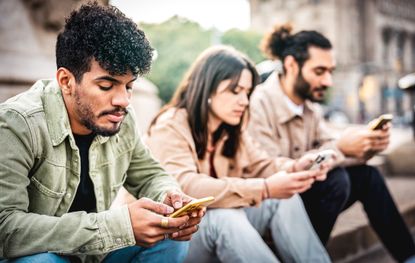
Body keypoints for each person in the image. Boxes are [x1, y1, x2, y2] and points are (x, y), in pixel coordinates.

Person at [0, 3, 204, 263]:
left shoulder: (121, 119)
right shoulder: (16, 124)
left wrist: (169, 199)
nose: (123, 100)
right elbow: (5, 227)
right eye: (107, 85)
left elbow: (149, 174)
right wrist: (118, 225)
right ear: (66, 81)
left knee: (168, 238)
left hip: (95, 255)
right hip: (44, 256)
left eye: (129, 86)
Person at [143, 45, 331, 263]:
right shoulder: (171, 125)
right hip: (170, 239)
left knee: (282, 200)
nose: (244, 101)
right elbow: (186, 185)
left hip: (209, 230)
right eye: (235, 91)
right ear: (207, 88)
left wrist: (295, 167)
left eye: (247, 92)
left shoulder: (231, 129)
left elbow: (262, 164)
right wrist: (265, 188)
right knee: (224, 218)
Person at [248, 24, 415, 262]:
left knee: (367, 176)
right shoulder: (258, 105)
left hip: (301, 195)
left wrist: (365, 147)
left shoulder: (308, 108)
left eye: (330, 71)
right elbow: (270, 169)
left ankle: (409, 256)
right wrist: (340, 148)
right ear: (291, 65)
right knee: (335, 182)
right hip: (270, 205)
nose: (327, 80)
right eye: (319, 71)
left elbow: (330, 147)